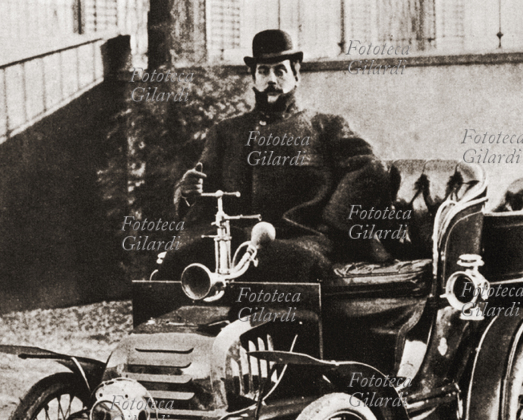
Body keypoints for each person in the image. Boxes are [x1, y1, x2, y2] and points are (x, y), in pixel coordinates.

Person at [158, 29, 393, 283]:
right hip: (236, 240)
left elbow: (371, 168)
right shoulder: (226, 132)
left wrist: (331, 226)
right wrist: (188, 193)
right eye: (263, 71)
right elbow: (200, 190)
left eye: (280, 71)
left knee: (286, 263)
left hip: (300, 241)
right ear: (253, 77)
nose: (272, 79)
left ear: (296, 74)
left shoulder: (326, 127)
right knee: (175, 263)